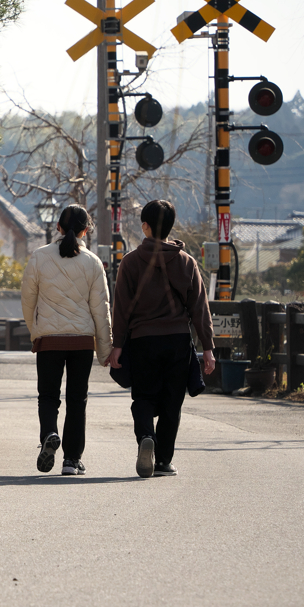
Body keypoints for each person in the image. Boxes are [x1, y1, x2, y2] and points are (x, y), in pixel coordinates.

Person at [106, 199, 215, 478]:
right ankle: (164, 461)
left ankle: (146, 436)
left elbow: (121, 309)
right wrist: (209, 349)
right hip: (178, 340)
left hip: (143, 341)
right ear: (170, 227)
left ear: (145, 226)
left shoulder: (130, 262)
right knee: (171, 402)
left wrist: (117, 345)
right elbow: (200, 308)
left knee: (142, 396)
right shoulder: (186, 262)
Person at [21, 204, 112, 476]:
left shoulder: (39, 257)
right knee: (77, 400)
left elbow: (28, 301)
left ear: (58, 227)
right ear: (86, 231)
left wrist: (36, 331)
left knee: (48, 396)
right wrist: (105, 349)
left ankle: (49, 434)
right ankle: (72, 460)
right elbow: (101, 309)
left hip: (49, 339)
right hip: (82, 341)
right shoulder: (93, 263)